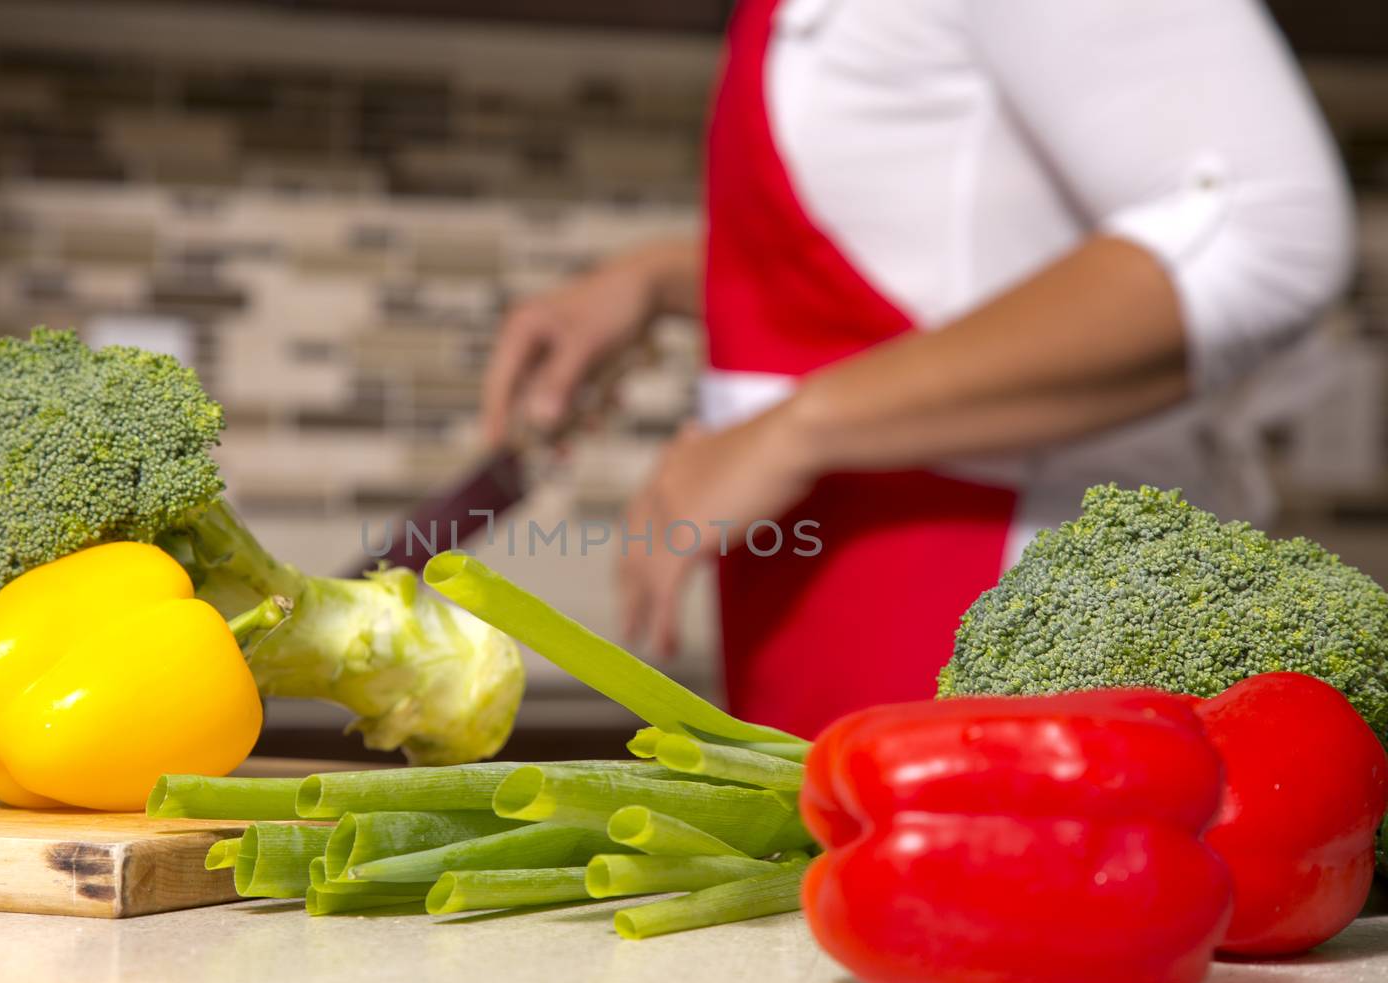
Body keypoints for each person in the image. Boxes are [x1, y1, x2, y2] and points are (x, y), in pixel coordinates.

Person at [480, 0, 1354, 739]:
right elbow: (935, 260)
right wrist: (658, 277)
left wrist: (797, 427)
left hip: (1012, 666)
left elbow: (1265, 228)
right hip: (841, 655)